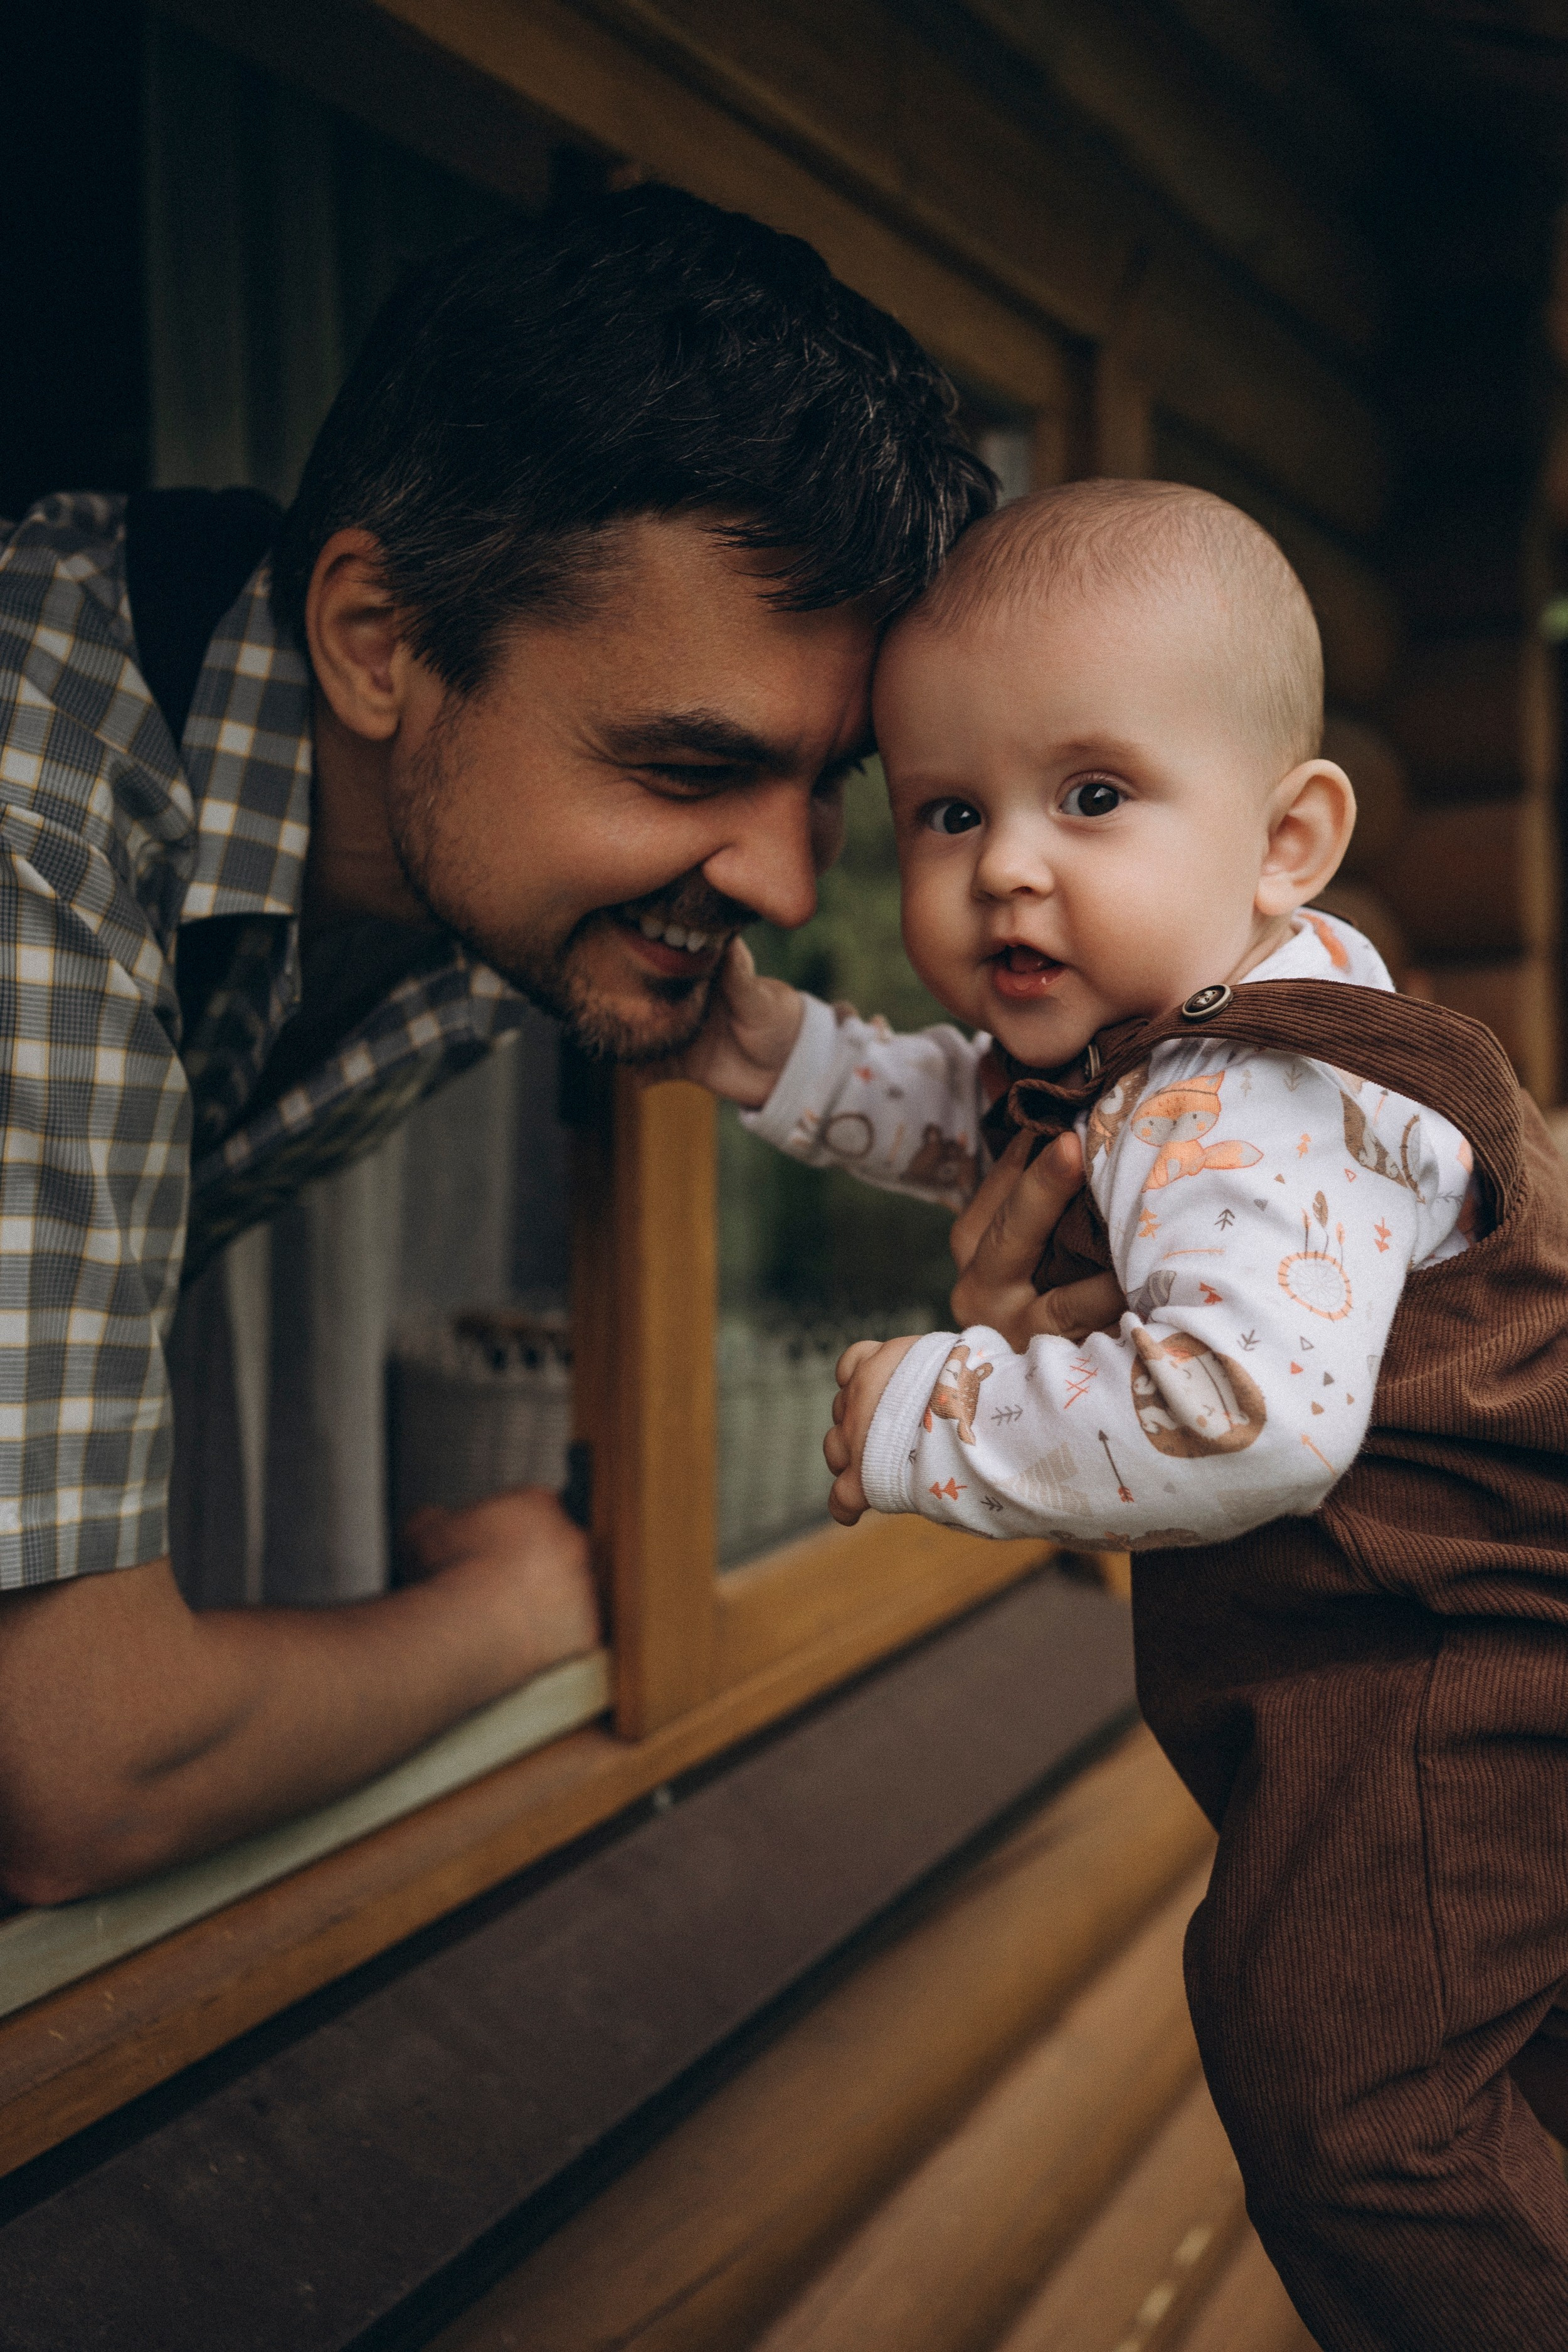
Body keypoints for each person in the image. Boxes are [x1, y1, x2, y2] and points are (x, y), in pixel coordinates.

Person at [0, 185, 998, 1906]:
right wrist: (515, 1610)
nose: (781, 884)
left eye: (822, 783)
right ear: (374, 642)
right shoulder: (36, 831)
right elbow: (84, 1774)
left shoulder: (477, 854)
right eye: (688, 768)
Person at [691, 477, 1568, 2349]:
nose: (1007, 866)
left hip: (1447, 1665)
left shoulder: (1247, 1103)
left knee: (1348, 2097)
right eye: (949, 811)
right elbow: (973, 1115)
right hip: (1415, 1649)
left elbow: (1252, 1415)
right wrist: (770, 1050)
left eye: (1090, 795)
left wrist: (942, 1412)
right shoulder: (1166, 1046)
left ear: (1287, 838)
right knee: (1501, 2050)